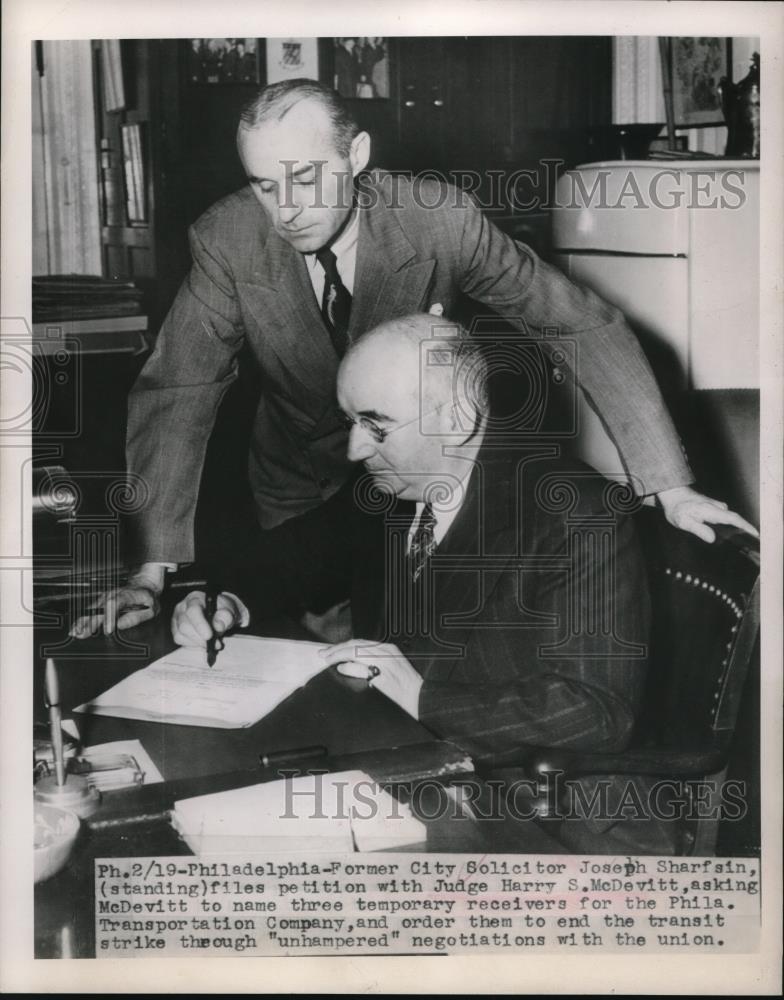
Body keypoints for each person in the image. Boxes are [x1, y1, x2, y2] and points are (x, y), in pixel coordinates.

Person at [70, 79, 756, 639]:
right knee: (295, 650)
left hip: (418, 475)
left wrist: (670, 487)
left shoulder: (439, 221)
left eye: (304, 178)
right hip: (294, 486)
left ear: (358, 154)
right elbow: (177, 389)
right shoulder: (227, 241)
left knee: (405, 651)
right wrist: (154, 568)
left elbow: (581, 322)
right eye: (264, 185)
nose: (287, 210)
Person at [172, 315, 675, 853]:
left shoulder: (574, 512)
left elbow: (594, 712)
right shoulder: (390, 487)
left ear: (457, 420)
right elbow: (288, 558)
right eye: (351, 422)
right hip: (407, 769)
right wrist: (224, 601)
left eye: (376, 425)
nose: (355, 450)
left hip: (545, 812)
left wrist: (419, 695)